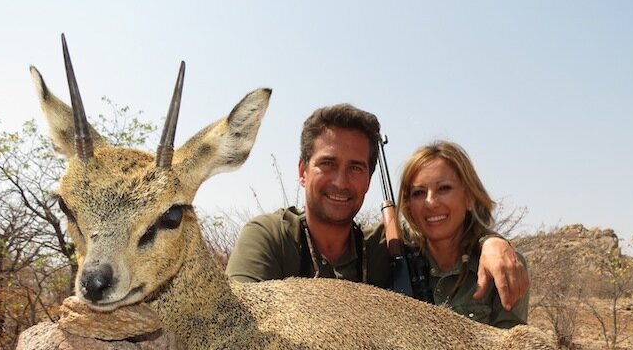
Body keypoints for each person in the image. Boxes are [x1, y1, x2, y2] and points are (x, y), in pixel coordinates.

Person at [226, 104, 529, 311]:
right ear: (303, 171)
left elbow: (442, 223)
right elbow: (236, 323)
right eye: (328, 164)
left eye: (356, 168)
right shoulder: (268, 238)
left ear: (369, 180)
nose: (341, 182)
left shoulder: (384, 247)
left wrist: (491, 241)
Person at [398, 141, 528, 328]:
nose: (430, 203)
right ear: (408, 205)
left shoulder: (503, 266)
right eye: (418, 192)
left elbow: (510, 349)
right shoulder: (393, 252)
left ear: (469, 197)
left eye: (444, 188)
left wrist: (493, 241)